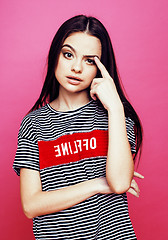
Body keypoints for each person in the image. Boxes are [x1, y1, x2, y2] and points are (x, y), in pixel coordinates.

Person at [13, 15, 144, 239]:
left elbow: (120, 182)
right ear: (56, 54)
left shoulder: (115, 117)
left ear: (100, 67)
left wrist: (114, 106)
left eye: (89, 60)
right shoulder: (33, 124)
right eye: (68, 54)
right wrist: (96, 184)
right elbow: (31, 205)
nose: (76, 67)